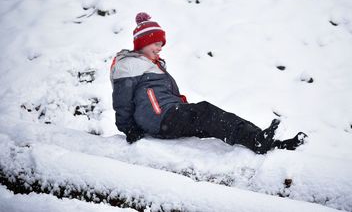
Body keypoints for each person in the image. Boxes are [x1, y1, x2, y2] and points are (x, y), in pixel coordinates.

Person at [110, 12, 308, 154]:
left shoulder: (153, 65)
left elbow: (168, 95)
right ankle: (257, 140)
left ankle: (268, 142)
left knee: (215, 124)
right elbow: (122, 101)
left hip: (167, 115)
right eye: (156, 44)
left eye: (161, 45)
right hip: (159, 119)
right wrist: (128, 128)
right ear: (142, 43)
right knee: (205, 112)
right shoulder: (129, 65)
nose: (160, 48)